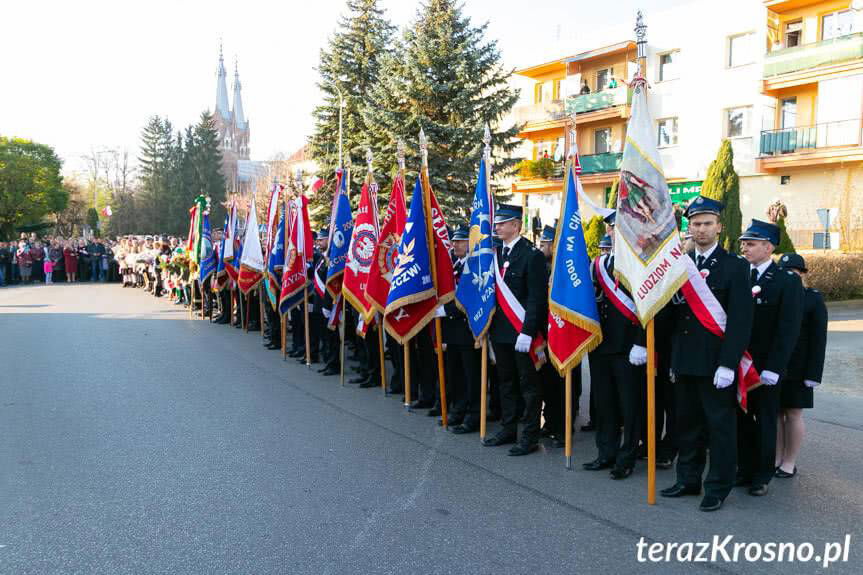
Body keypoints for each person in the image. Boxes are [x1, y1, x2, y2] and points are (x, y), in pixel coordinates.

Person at [660, 196, 752, 512]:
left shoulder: (735, 266)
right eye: (696, 224)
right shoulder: (680, 265)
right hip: (685, 360)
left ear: (719, 227)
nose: (701, 229)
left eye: (707, 223)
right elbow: (672, 317)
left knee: (719, 428)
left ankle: (717, 487)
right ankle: (688, 479)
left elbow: (741, 320)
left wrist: (728, 363)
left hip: (716, 363)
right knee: (687, 425)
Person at [737, 219, 803, 498]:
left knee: (765, 421)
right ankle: (744, 468)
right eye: (743, 244)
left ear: (768, 247)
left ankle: (762, 475)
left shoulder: (786, 281)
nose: (745, 248)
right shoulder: (740, 274)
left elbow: (789, 329)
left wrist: (775, 367)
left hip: (765, 367)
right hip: (740, 364)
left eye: (750, 244)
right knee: (741, 418)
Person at [583, 211, 645, 479]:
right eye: (611, 228)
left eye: (620, 227)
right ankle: (605, 452)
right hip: (601, 344)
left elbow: (648, 307)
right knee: (604, 403)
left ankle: (626, 456)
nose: (614, 232)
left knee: (629, 406)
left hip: (628, 347)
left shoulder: (640, 263)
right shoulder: (598, 264)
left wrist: (642, 343)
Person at [483, 204, 547, 456]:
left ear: (516, 225)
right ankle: (508, 428)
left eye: (502, 223)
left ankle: (530, 436)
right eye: (496, 223)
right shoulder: (495, 254)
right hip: (500, 330)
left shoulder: (532, 255)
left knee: (528, 386)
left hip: (522, 332)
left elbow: (536, 298)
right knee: (505, 382)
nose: (497, 227)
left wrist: (528, 332)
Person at [774, 253, 827, 479]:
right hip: (776, 365)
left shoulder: (812, 298)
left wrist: (813, 373)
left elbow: (818, 339)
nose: (790, 276)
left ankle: (789, 461)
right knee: (775, 413)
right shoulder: (775, 294)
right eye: (785, 272)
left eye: (794, 272)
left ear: (803, 274)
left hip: (800, 368)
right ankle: (776, 457)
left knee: (793, 413)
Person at [538, 224, 581, 447]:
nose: (542, 248)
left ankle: (565, 427)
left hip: (567, 334)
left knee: (566, 385)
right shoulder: (543, 266)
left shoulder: (570, 267)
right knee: (549, 383)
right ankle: (551, 422)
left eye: (545, 244)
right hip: (548, 332)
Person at [443, 224, 483, 434]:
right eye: (454, 241)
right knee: (455, 373)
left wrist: (445, 310)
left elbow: (469, 299)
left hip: (468, 331)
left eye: (460, 241)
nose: (455, 244)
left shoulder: (474, 267)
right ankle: (458, 409)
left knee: (471, 376)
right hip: (452, 331)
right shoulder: (455, 265)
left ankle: (473, 415)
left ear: (470, 243)